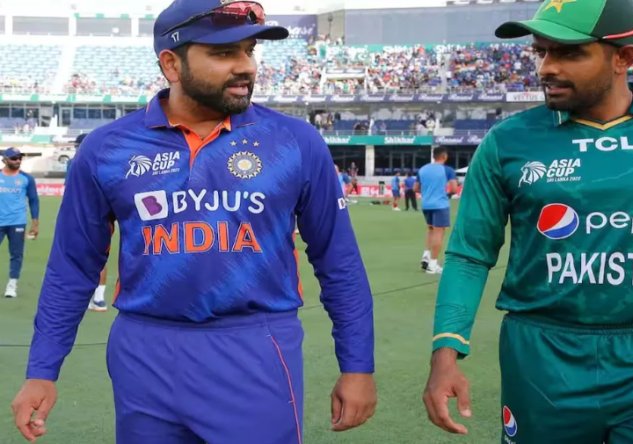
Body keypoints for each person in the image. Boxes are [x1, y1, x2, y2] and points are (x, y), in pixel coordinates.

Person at [11, 1, 377, 443]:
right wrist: (42, 370)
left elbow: (339, 262)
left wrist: (357, 366)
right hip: (143, 352)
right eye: (224, 53)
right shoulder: (107, 149)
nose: (246, 66)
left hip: (255, 349)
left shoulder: (295, 141)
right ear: (171, 63)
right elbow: (72, 267)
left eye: (249, 51)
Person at [423, 1, 633, 443]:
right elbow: (470, 254)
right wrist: (446, 351)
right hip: (542, 360)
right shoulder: (507, 142)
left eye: (569, 53)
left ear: (624, 58)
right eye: (541, 51)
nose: (546, 67)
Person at [68, 132, 109, 312]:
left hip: (86, 215)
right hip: (102, 213)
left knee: (77, 256)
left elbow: (71, 190)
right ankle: (98, 298)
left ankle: (83, 297)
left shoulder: (76, 162)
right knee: (98, 255)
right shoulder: (105, 159)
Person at [0, 147, 39, 298]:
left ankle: (12, 284)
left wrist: (35, 223)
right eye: (14, 158)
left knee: (16, 254)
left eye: (19, 158)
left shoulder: (26, 178)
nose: (17, 161)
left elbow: (33, 200)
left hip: (17, 222)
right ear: (5, 160)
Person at [415, 148, 457, 274]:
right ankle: (432, 265)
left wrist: (428, 193)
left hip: (426, 204)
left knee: (431, 230)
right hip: (440, 204)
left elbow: (416, 188)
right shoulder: (447, 170)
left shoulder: (423, 169)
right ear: (444, 156)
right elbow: (454, 189)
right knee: (439, 232)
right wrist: (446, 195)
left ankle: (426, 256)